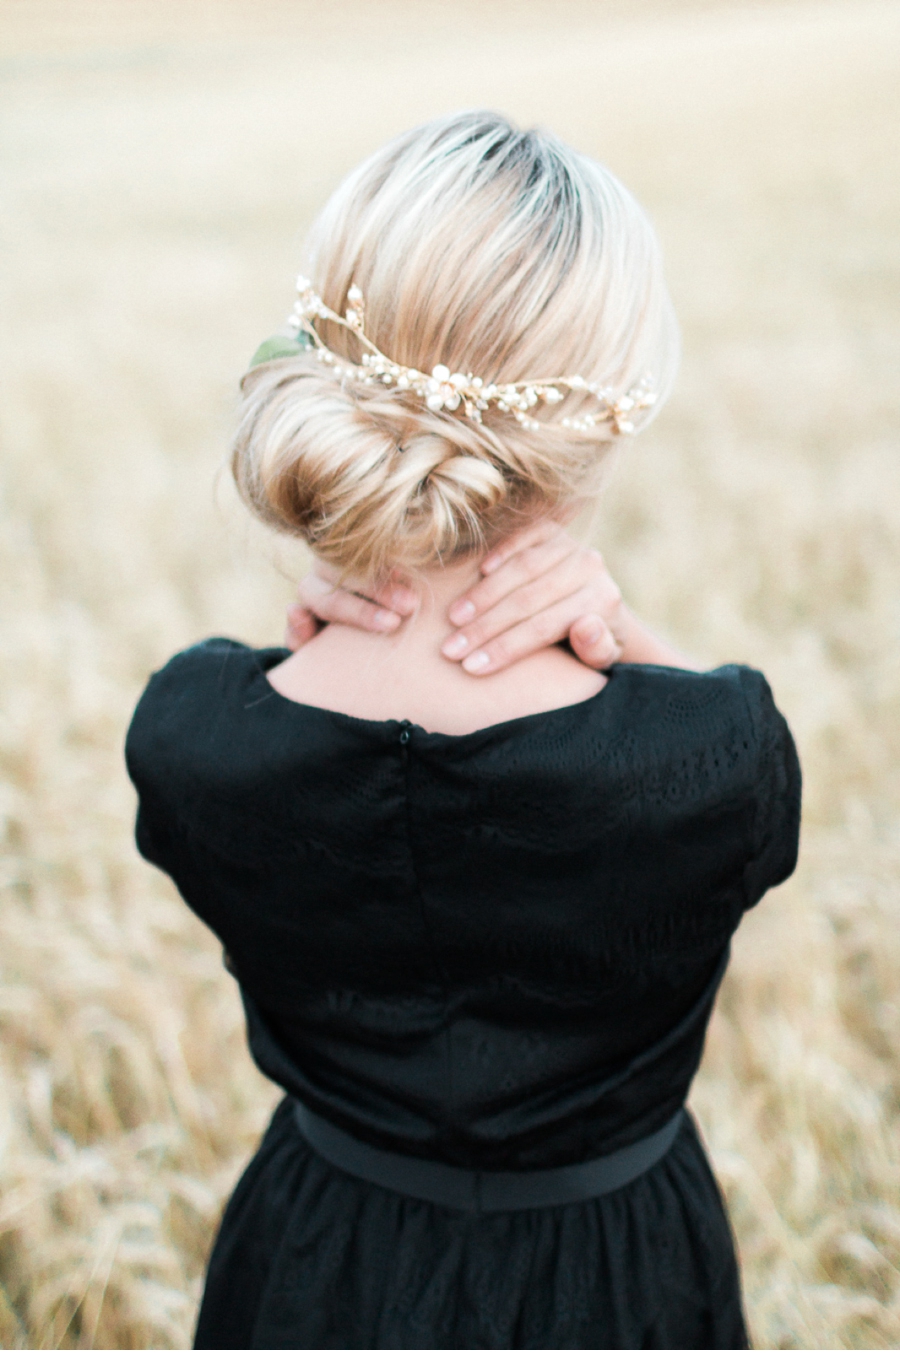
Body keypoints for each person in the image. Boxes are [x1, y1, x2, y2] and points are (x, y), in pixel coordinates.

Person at [126, 111, 801, 1349]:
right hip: (617, 1284)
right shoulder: (713, 762)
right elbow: (723, 729)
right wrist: (626, 631)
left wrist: (301, 645)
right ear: (610, 411)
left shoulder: (190, 732)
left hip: (315, 1265)